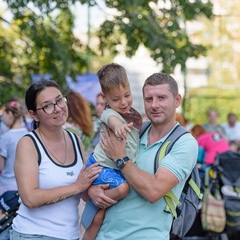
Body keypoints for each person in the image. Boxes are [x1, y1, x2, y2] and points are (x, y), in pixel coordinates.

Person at [87, 72, 198, 240]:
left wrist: (121, 158)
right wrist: (93, 189)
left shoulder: (184, 143)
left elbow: (153, 191)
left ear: (177, 100)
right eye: (149, 99)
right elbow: (100, 168)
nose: (154, 105)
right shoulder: (133, 131)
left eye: (161, 98)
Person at [10, 80, 102, 240]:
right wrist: (77, 186)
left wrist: (94, 190)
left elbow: (82, 187)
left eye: (59, 100)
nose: (58, 109)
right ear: (33, 114)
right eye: (47, 106)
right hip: (33, 235)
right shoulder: (28, 144)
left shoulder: (75, 140)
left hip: (70, 235)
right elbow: (30, 198)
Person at [81, 63, 142, 240]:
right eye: (116, 99)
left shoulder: (131, 114)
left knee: (99, 216)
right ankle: (95, 199)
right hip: (102, 167)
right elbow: (113, 121)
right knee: (123, 189)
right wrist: (119, 127)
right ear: (105, 98)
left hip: (112, 168)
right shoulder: (109, 114)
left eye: (127, 95)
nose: (123, 102)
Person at [0, 100, 29, 195]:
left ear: (10, 114)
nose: (2, 118)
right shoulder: (29, 135)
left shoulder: (5, 137)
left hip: (6, 188)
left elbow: (0, 166)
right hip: (26, 186)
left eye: (3, 115)